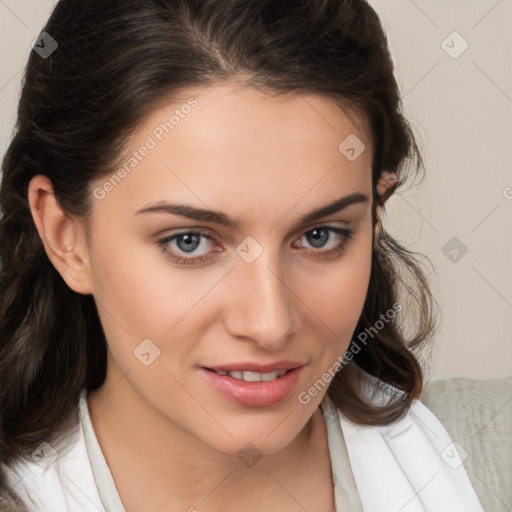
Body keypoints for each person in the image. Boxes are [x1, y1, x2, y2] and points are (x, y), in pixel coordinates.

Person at [0, 0, 484, 511]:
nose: (270, 324)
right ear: (64, 235)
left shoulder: (490, 458)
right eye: (190, 241)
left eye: (320, 236)